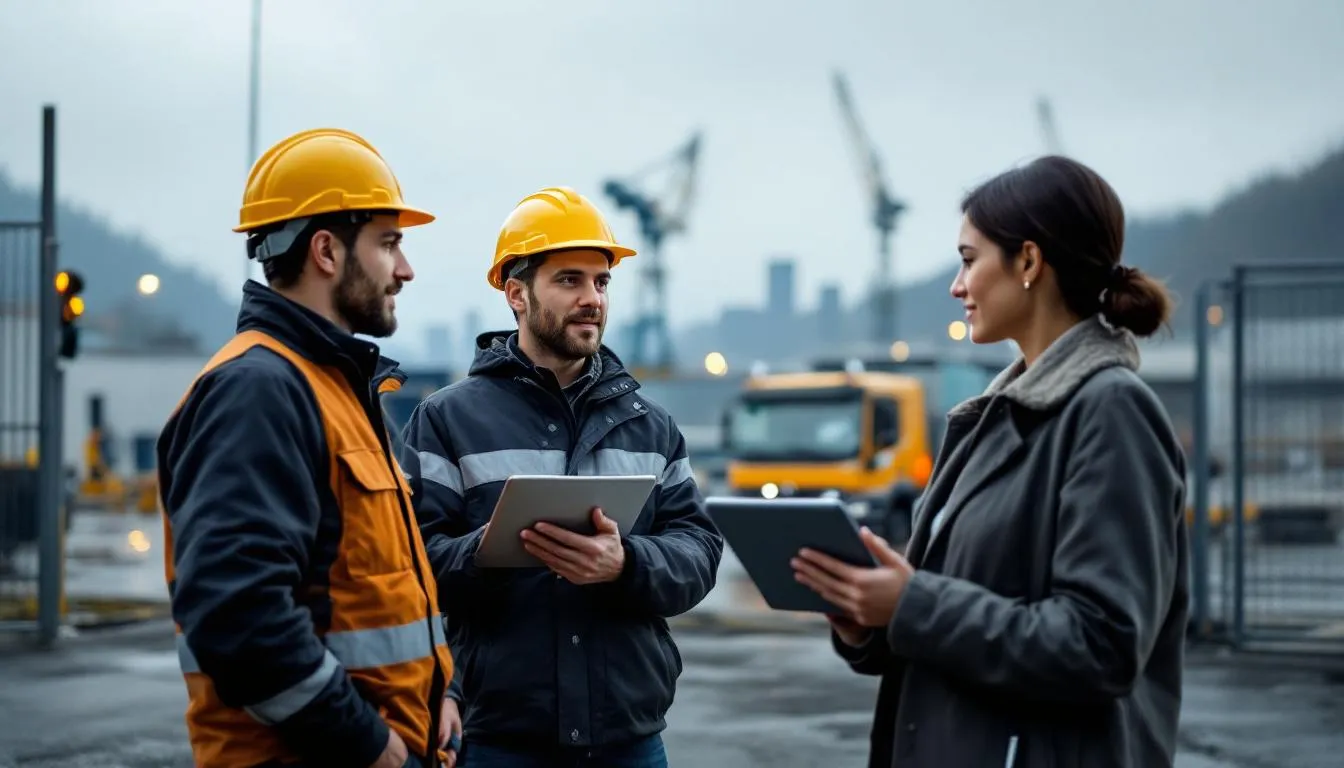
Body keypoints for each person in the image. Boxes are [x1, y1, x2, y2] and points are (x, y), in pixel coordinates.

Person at [791, 155, 1189, 768]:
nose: (957, 286)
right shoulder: (993, 417)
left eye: (970, 259)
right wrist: (866, 621)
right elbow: (952, 619)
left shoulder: (1111, 412)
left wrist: (911, 602)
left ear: (1028, 262)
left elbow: (1100, 646)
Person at [157, 128, 458, 768]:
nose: (405, 269)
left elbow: (379, 589)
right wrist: (369, 745)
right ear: (325, 250)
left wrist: (440, 695)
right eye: (389, 242)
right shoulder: (258, 390)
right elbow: (238, 616)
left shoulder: (335, 388)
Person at [397, 186, 724, 767]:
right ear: (517, 295)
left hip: (630, 740)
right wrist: (489, 551)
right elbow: (411, 565)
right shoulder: (447, 420)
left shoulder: (652, 427)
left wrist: (626, 564)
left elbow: (698, 552)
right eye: (569, 280)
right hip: (500, 740)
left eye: (601, 282)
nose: (592, 299)